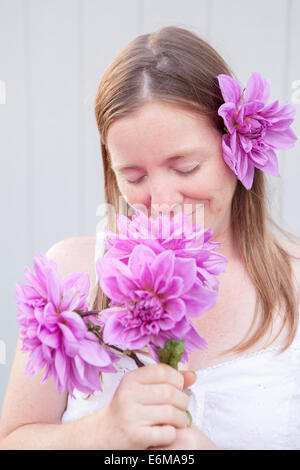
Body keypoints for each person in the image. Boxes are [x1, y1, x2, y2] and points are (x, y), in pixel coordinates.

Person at [1, 26, 300, 450]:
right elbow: (14, 439)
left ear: (238, 147)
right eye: (135, 176)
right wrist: (102, 432)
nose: (161, 202)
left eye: (186, 168)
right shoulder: (70, 278)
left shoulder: (294, 285)